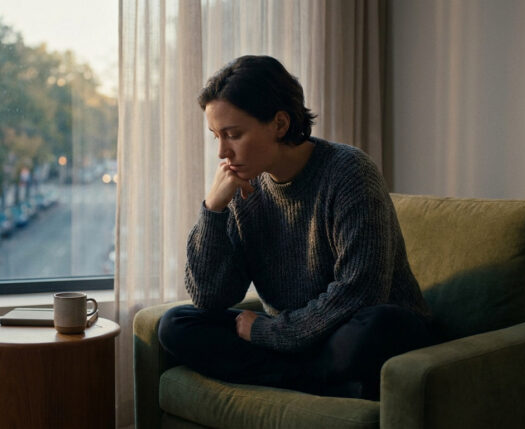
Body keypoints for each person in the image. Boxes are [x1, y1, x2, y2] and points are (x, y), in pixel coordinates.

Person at [158, 55, 433, 400]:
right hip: (302, 340)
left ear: (280, 124)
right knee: (175, 325)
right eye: (216, 136)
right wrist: (213, 210)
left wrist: (269, 333)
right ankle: (322, 378)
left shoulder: (349, 172)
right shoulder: (244, 189)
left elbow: (360, 293)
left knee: (377, 326)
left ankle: (305, 372)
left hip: (363, 328)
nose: (222, 152)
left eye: (233, 135)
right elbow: (210, 297)